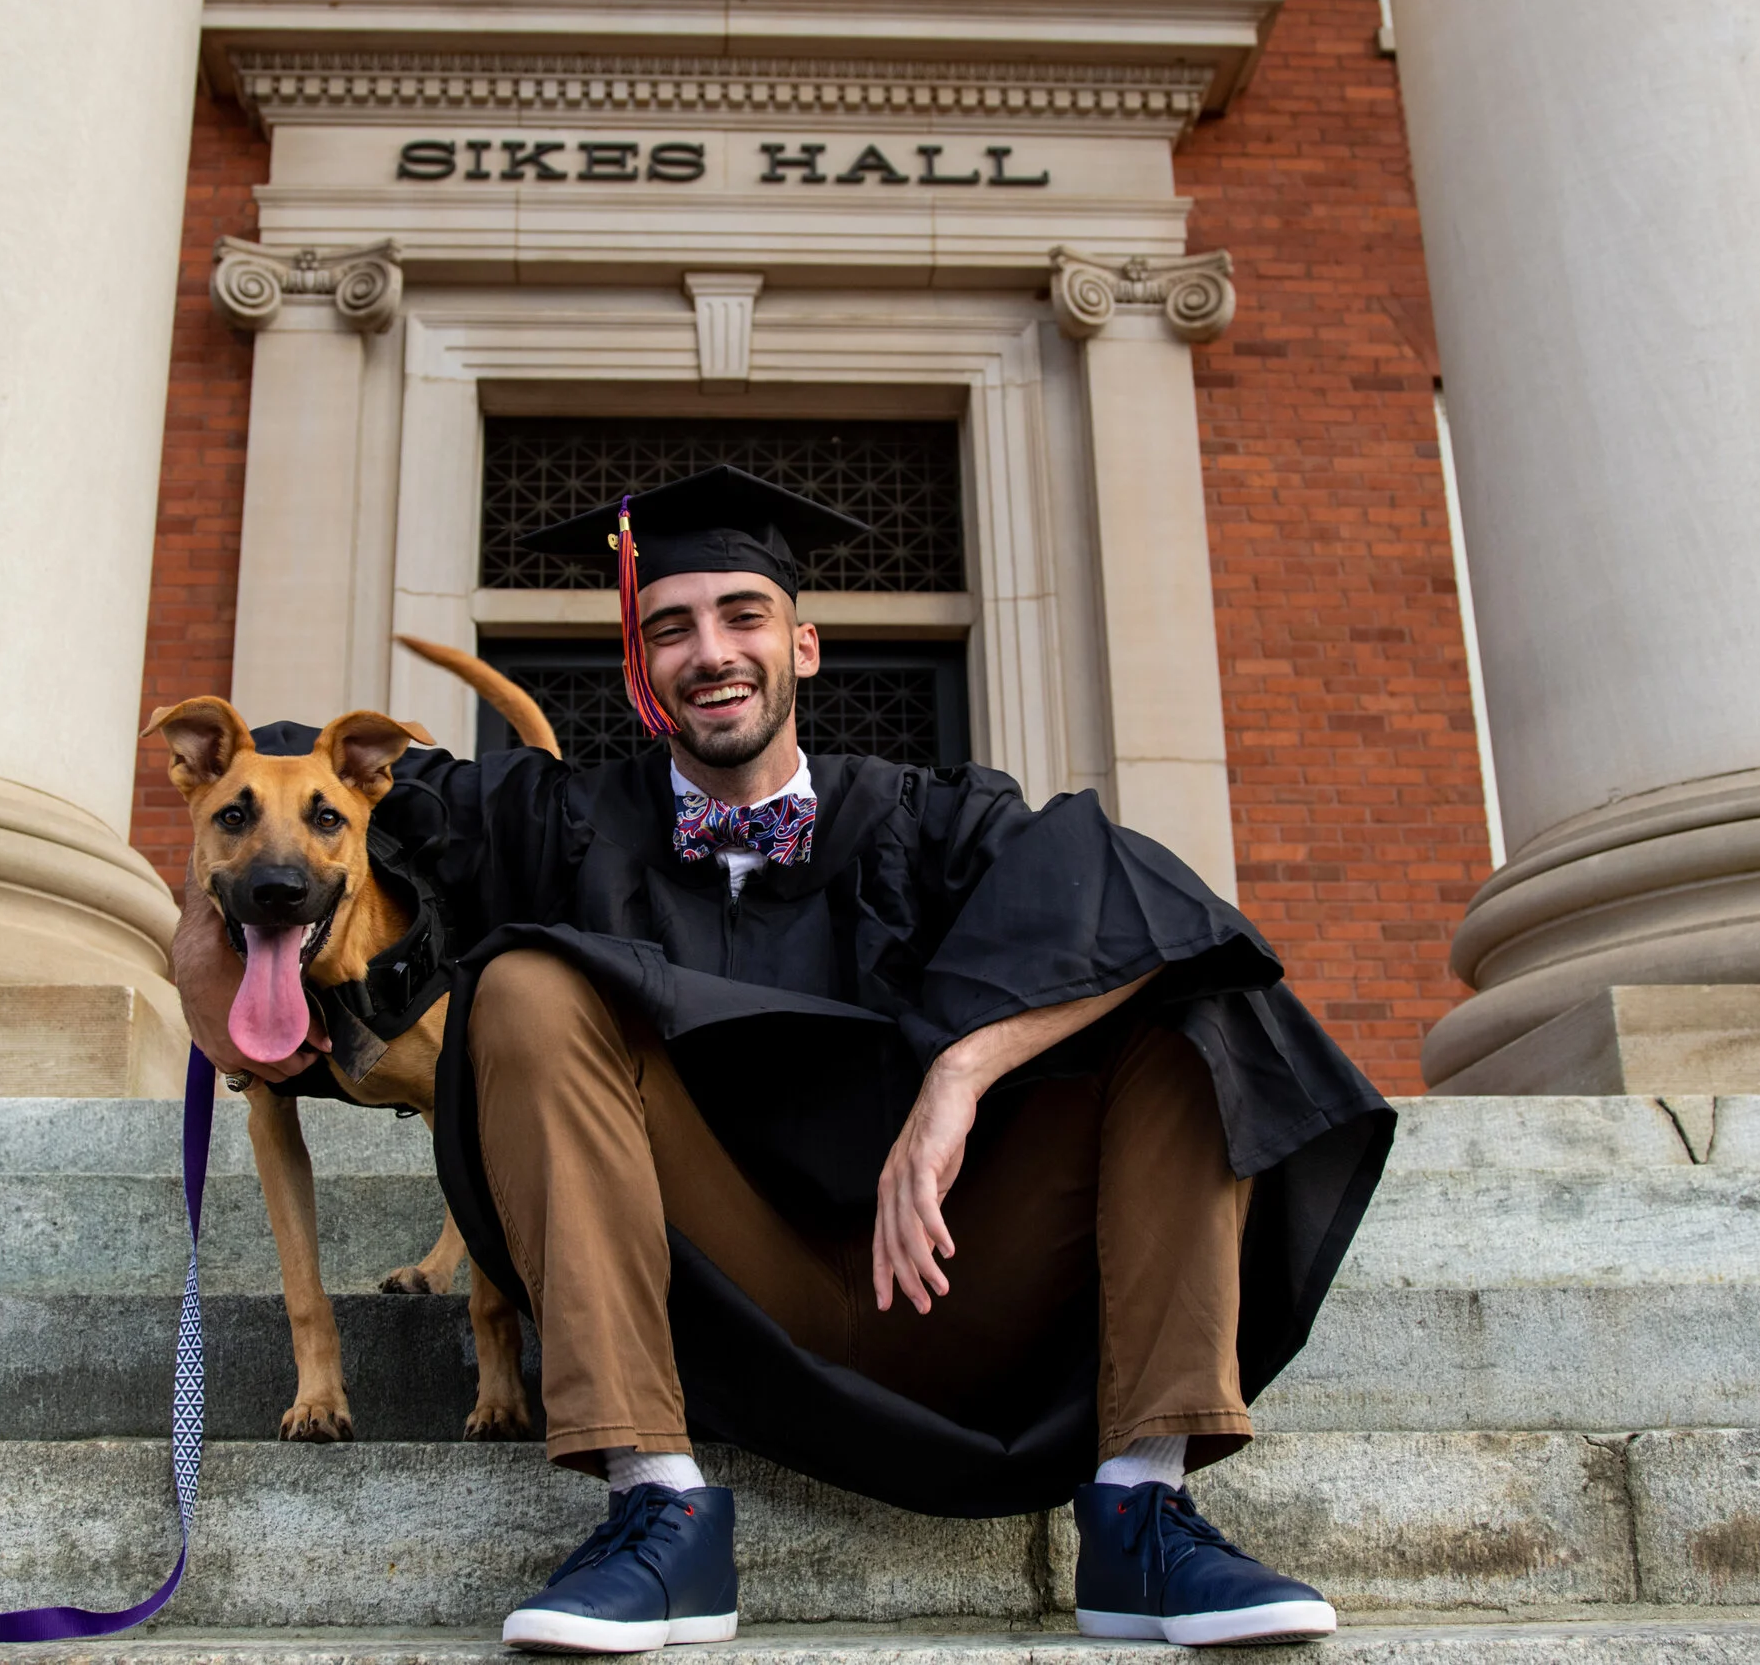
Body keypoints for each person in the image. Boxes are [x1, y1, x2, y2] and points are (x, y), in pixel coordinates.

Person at [176, 465, 1394, 1652]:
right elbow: (296, 805)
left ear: (801, 645)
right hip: (710, 1285)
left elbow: (1149, 897)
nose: (710, 649)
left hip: (955, 1269)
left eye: (742, 615)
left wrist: (959, 1074)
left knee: (1187, 1002)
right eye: (671, 627)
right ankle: (654, 1503)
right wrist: (219, 896)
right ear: (640, 668)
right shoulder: (557, 822)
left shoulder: (927, 815)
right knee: (525, 985)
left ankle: (1143, 1501)